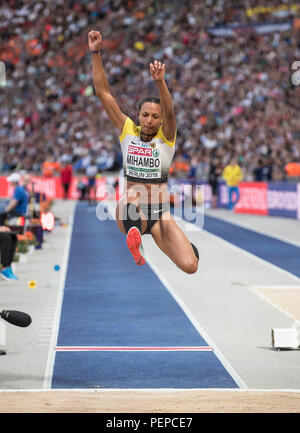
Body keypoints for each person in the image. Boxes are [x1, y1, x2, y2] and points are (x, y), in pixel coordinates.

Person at [89, 30, 198, 274]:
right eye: (145, 115)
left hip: (160, 214)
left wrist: (160, 83)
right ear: (138, 116)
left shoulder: (166, 138)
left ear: (161, 121)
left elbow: (170, 112)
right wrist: (96, 53)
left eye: (155, 117)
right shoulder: (128, 131)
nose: (149, 120)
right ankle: (134, 236)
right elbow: (103, 92)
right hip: (130, 209)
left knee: (191, 266)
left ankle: (185, 248)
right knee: (131, 197)